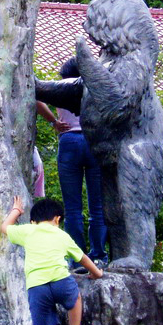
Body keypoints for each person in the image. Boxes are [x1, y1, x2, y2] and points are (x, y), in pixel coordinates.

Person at [1, 196, 103, 325]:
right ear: (57, 219)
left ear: (33, 221)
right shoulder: (62, 235)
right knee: (75, 299)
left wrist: (16, 211)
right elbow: (82, 258)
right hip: (61, 281)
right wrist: (97, 273)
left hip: (37, 287)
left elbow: (5, 227)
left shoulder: (27, 230)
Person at [40, 58, 108, 268]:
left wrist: (53, 121)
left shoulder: (61, 89)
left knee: (72, 208)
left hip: (69, 140)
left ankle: (77, 259)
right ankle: (98, 256)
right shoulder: (97, 88)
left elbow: (35, 97)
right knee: (97, 206)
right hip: (94, 140)